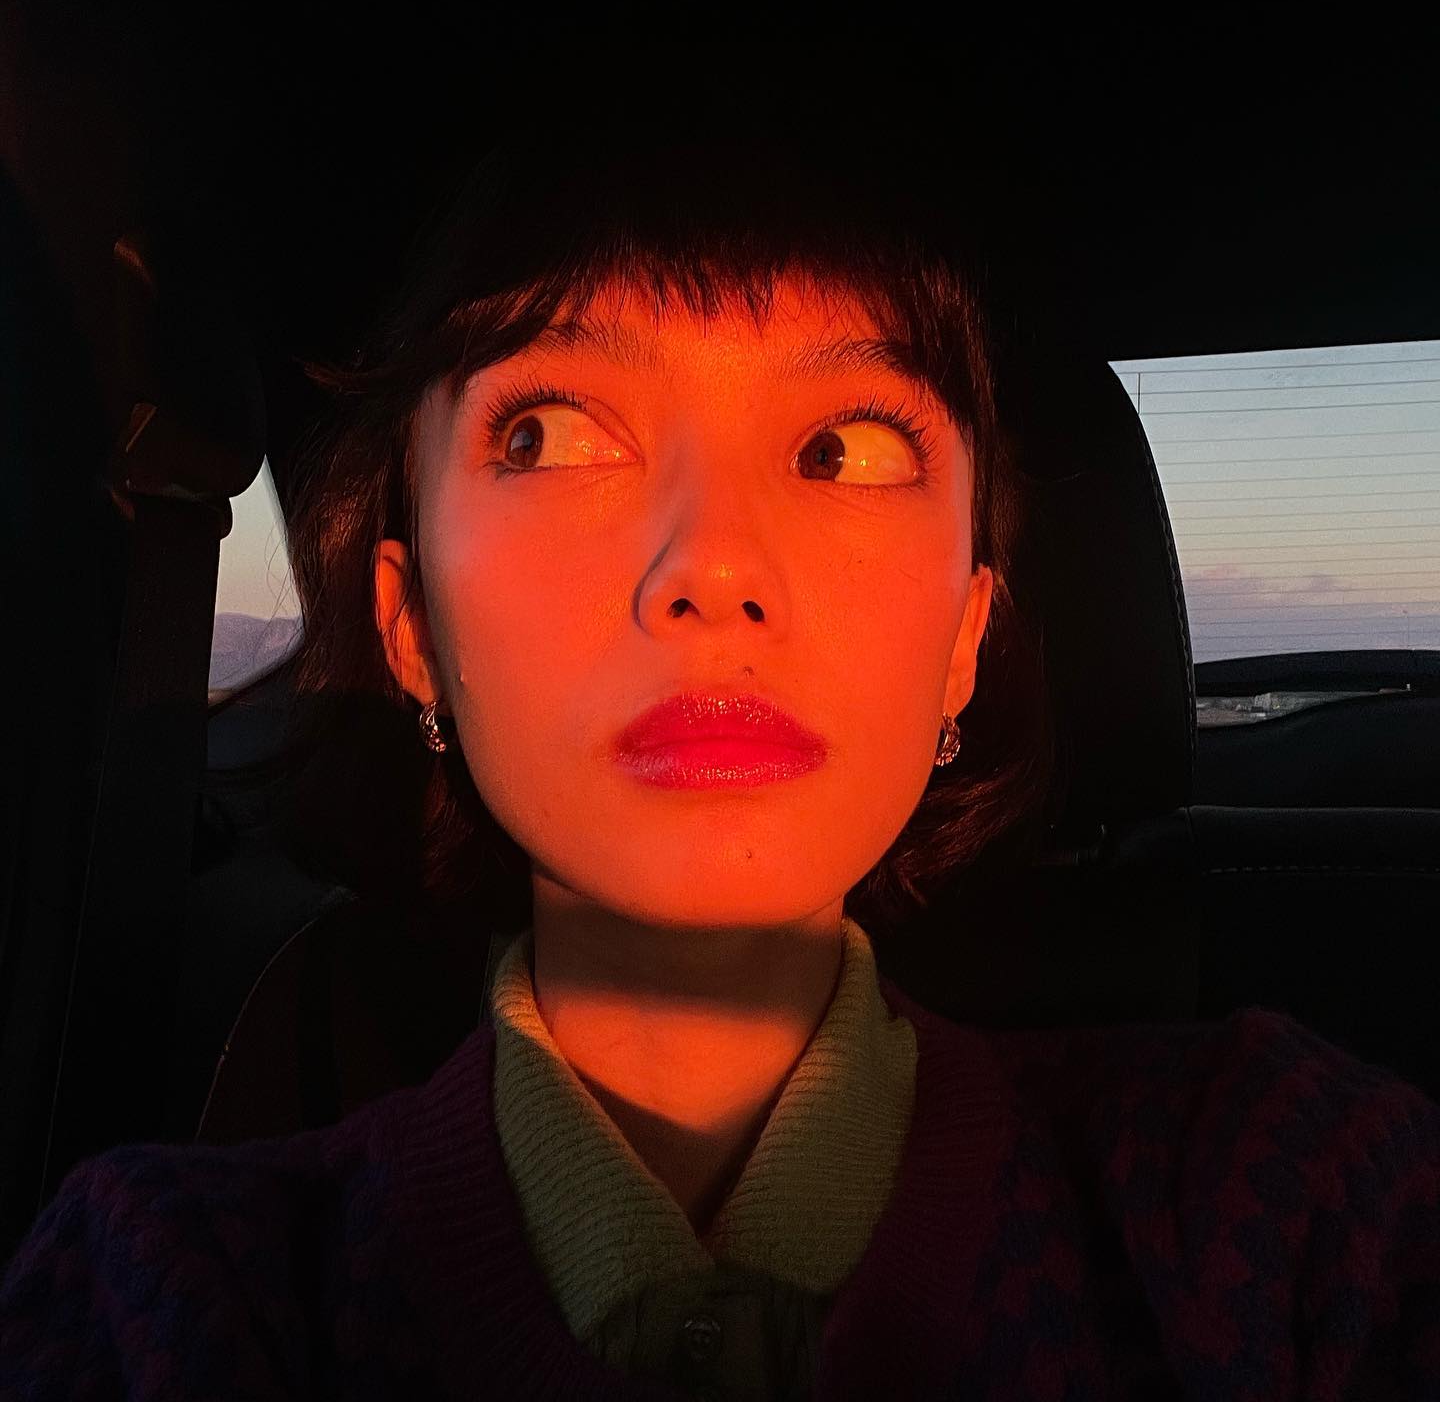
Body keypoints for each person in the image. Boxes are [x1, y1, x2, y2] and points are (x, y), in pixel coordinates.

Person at [3, 126, 1439, 1401]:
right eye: (549, 433)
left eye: (846, 448)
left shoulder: (1291, 1206)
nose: (713, 569)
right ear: (411, 626)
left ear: (964, 642)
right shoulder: (159, 1298)